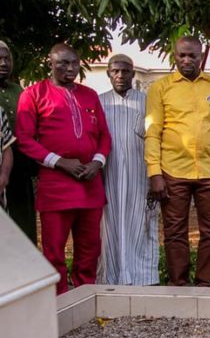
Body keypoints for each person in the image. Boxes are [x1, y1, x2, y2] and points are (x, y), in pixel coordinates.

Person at [15, 44, 111, 294]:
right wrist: (59, 161)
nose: (70, 69)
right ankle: (58, 303)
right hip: (56, 185)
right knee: (54, 250)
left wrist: (97, 162)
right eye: (63, 63)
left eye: (74, 63)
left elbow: (104, 136)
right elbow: (24, 139)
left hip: (90, 185)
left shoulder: (89, 95)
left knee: (90, 247)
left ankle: (87, 297)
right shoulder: (34, 94)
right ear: (50, 63)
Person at [145, 36, 210, 287]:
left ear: (201, 57)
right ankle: (179, 284)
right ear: (175, 56)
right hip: (172, 171)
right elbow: (153, 131)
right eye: (181, 55)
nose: (186, 60)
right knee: (175, 232)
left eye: (192, 56)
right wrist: (155, 173)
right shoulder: (161, 87)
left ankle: (205, 283)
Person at [97, 54, 159, 286]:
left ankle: (144, 278)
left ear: (133, 74)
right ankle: (110, 277)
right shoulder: (99, 102)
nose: (120, 76)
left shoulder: (147, 102)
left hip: (140, 177)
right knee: (108, 228)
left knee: (142, 225)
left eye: (125, 71)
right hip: (109, 176)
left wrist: (155, 177)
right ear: (109, 74)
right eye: (115, 71)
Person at [0, 41, 37, 242]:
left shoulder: (18, 91)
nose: (3, 63)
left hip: (20, 168)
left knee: (24, 223)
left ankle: (26, 271)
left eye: (7, 58)